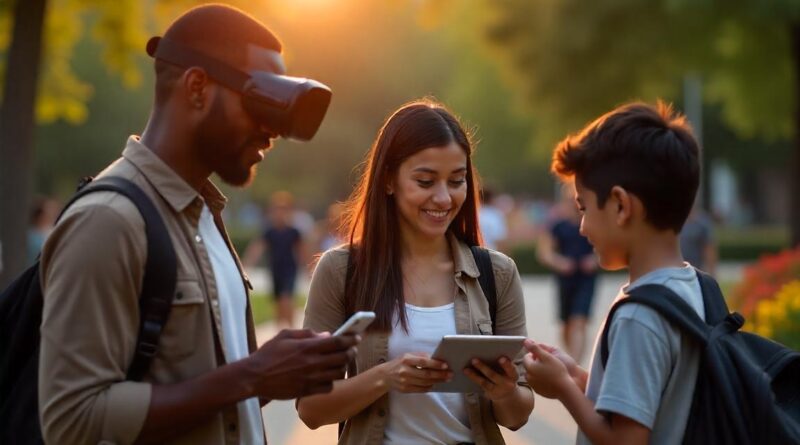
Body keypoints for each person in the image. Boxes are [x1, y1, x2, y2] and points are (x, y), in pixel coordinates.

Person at [37, 5, 357, 445]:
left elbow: (211, 399)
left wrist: (272, 371)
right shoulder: (109, 220)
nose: (273, 130)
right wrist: (253, 376)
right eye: (261, 100)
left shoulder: (205, 215)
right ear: (197, 87)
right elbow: (72, 418)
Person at [296, 99, 534, 445]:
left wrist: (505, 391)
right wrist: (386, 377)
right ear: (389, 180)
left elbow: (517, 416)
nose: (443, 198)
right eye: (425, 181)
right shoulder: (340, 270)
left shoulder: (496, 273)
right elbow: (311, 409)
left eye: (456, 181)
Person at [523, 102, 703, 444]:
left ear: (621, 206)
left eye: (584, 208)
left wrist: (561, 388)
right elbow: (647, 400)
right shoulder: (694, 286)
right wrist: (577, 377)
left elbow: (625, 441)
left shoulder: (639, 315)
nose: (581, 227)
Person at [536, 185, 597, 362]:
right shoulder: (558, 226)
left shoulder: (591, 224)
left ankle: (575, 362)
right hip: (565, 279)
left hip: (586, 278)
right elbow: (545, 253)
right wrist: (560, 263)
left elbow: (605, 249)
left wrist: (593, 261)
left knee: (580, 320)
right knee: (566, 324)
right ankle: (572, 356)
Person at [243, 191, 304, 328]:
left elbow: (301, 250)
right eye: (277, 210)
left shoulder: (293, 231)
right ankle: (280, 328)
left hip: (290, 269)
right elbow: (258, 247)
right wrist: (247, 263)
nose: (279, 213)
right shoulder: (269, 231)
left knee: (286, 299)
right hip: (275, 270)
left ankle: (291, 327)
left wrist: (309, 266)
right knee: (277, 302)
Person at [679, 206, 717, 276]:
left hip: (696, 269)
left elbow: (709, 248)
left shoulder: (702, 223)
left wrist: (712, 271)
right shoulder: (675, 222)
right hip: (677, 269)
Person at [27, 196, 59, 264]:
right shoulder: (34, 237)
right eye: (49, 212)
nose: (52, 215)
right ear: (40, 216)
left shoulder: (48, 232)